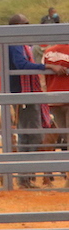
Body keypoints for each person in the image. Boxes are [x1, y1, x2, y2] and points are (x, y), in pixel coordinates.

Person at [6, 14, 65, 188]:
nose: (28, 26)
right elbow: (21, 64)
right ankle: (25, 178)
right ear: (17, 26)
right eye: (25, 23)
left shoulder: (22, 44)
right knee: (29, 134)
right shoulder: (16, 43)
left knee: (32, 133)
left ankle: (27, 176)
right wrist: (48, 66)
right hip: (24, 93)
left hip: (28, 92)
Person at [43, 40, 69, 186]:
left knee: (53, 138)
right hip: (66, 97)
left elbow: (42, 74)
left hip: (53, 98)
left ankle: (47, 176)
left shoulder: (48, 51)